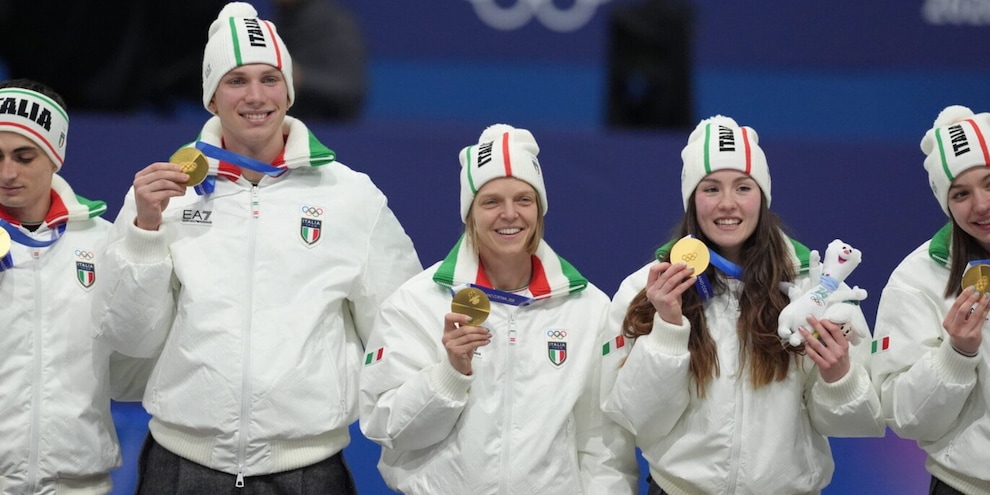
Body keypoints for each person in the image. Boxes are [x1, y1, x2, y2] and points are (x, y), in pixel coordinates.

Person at [91, 2, 421, 492]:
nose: (255, 96)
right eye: (236, 80)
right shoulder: (161, 196)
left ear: (289, 91)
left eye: (270, 79)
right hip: (181, 464)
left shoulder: (351, 197)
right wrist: (144, 232)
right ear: (210, 97)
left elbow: (402, 330)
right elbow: (130, 339)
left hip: (310, 468)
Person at [600, 115, 885, 494]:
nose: (728, 204)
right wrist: (668, 330)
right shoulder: (647, 289)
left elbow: (857, 422)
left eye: (743, 187)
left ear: (763, 197)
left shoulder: (811, 287)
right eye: (711, 188)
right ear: (691, 200)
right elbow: (637, 420)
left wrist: (839, 377)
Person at [359, 124, 638, 494]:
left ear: (539, 210)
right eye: (491, 202)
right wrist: (450, 374)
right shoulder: (416, 303)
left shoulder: (587, 308)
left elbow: (603, 445)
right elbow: (386, 428)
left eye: (523, 200)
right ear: (469, 213)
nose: (510, 214)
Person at [0, 78, 148, 494]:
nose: (7, 173)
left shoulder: (103, 241)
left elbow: (133, 359)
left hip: (78, 484)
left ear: (55, 155)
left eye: (24, 156)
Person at [872, 105, 990, 495]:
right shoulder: (915, 281)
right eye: (961, 193)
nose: (981, 205)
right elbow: (905, 418)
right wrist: (956, 355)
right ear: (946, 203)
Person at [273, 0, 367, 122]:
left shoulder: (335, 25)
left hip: (331, 130)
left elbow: (351, 88)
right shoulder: (279, 23)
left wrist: (300, 78)